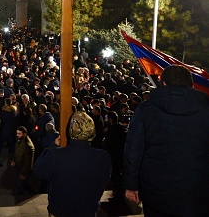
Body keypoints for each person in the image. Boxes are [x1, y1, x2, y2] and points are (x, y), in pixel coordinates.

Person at [123, 64, 209, 216]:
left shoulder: (146, 109)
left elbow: (134, 149)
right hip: (197, 184)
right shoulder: (205, 108)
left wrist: (131, 185)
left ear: (163, 83)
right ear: (191, 84)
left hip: (156, 185)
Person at [34, 110, 111, 216]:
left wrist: (52, 146)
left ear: (70, 130)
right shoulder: (103, 157)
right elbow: (105, 180)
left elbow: (39, 171)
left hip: (60, 212)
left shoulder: (57, 154)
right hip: (88, 211)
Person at [10, 125, 34, 196]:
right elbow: (16, 152)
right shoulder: (19, 141)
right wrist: (13, 160)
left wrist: (23, 173)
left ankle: (20, 197)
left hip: (23, 168)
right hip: (19, 166)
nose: (17, 135)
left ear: (25, 134)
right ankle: (31, 192)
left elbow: (28, 161)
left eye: (19, 134)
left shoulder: (27, 145)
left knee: (20, 184)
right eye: (17, 133)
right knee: (23, 183)